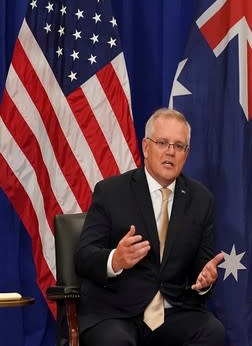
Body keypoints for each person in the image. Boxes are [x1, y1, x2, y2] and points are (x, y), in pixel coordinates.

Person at [75, 108, 226, 346]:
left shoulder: (201, 199)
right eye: (163, 143)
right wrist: (116, 260)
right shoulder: (111, 192)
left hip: (172, 311)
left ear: (186, 154)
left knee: (213, 333)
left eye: (179, 146)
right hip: (116, 311)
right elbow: (84, 257)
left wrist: (205, 280)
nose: (170, 152)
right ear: (146, 147)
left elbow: (202, 266)